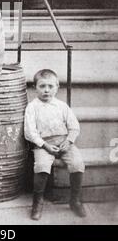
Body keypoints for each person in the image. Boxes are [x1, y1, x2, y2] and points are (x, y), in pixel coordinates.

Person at [24, 69, 86, 220]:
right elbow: (30, 132)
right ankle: (37, 202)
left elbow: (74, 126)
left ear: (57, 87)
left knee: (77, 164)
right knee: (41, 167)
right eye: (42, 86)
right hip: (43, 144)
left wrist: (69, 141)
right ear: (34, 87)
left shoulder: (62, 106)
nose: (46, 90)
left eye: (50, 86)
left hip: (64, 142)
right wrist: (44, 145)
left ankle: (75, 200)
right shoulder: (32, 107)